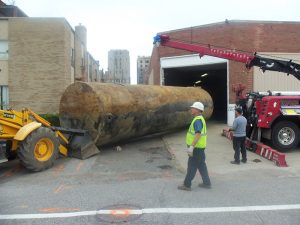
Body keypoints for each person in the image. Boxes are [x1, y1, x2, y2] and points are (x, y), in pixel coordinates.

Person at [178, 102, 211, 191]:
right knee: (201, 165)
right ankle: (207, 183)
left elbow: (198, 134)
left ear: (197, 110)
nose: (191, 109)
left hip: (196, 148)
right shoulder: (200, 119)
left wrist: (191, 146)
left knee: (191, 166)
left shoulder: (197, 120)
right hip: (200, 148)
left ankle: (186, 185)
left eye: (193, 108)